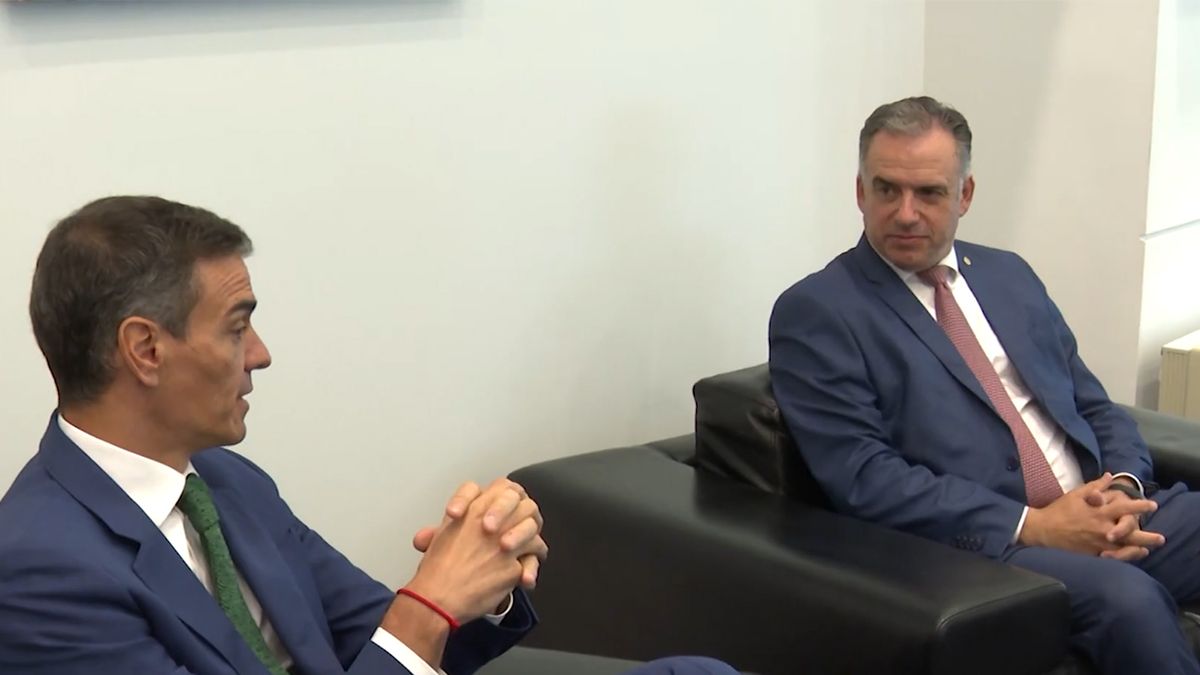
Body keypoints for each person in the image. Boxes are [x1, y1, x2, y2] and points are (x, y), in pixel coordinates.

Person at [0, 196, 738, 675]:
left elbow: (374, 635)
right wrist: (429, 605)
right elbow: (410, 630)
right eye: (236, 327)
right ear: (145, 349)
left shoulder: (226, 483)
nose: (260, 354)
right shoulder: (40, 570)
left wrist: (480, 573)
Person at [768, 96, 1200, 674]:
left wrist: (1121, 491)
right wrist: (1038, 525)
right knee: (1131, 602)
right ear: (860, 191)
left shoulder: (1007, 275)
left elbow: (1092, 404)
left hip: (1099, 505)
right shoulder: (819, 311)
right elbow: (866, 478)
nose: (905, 213)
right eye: (887, 189)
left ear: (965, 195)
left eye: (929, 193)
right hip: (993, 547)